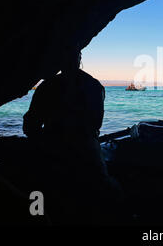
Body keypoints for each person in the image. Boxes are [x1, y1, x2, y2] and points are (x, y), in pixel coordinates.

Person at [23, 42, 124, 224]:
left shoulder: (47, 86)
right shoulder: (94, 86)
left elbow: (31, 126)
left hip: (52, 148)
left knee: (36, 189)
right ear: (79, 60)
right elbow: (96, 124)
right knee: (107, 190)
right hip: (86, 149)